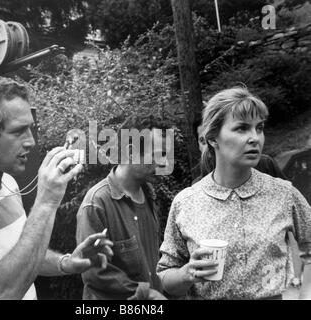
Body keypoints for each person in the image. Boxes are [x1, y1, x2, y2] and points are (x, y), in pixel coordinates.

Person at [0, 76, 113, 299]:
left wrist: (66, 262)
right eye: (18, 131)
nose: (31, 141)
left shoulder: (8, 183)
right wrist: (46, 202)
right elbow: (2, 291)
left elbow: (19, 253)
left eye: (30, 129)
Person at [157, 87, 311, 300]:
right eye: (241, 129)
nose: (255, 138)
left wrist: (306, 293)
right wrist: (187, 274)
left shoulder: (283, 193)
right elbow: (165, 275)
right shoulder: (186, 202)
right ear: (212, 138)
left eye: (259, 128)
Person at [76, 116, 169, 300]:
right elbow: (93, 272)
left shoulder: (149, 195)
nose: (165, 163)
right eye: (159, 154)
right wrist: (148, 294)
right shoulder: (97, 203)